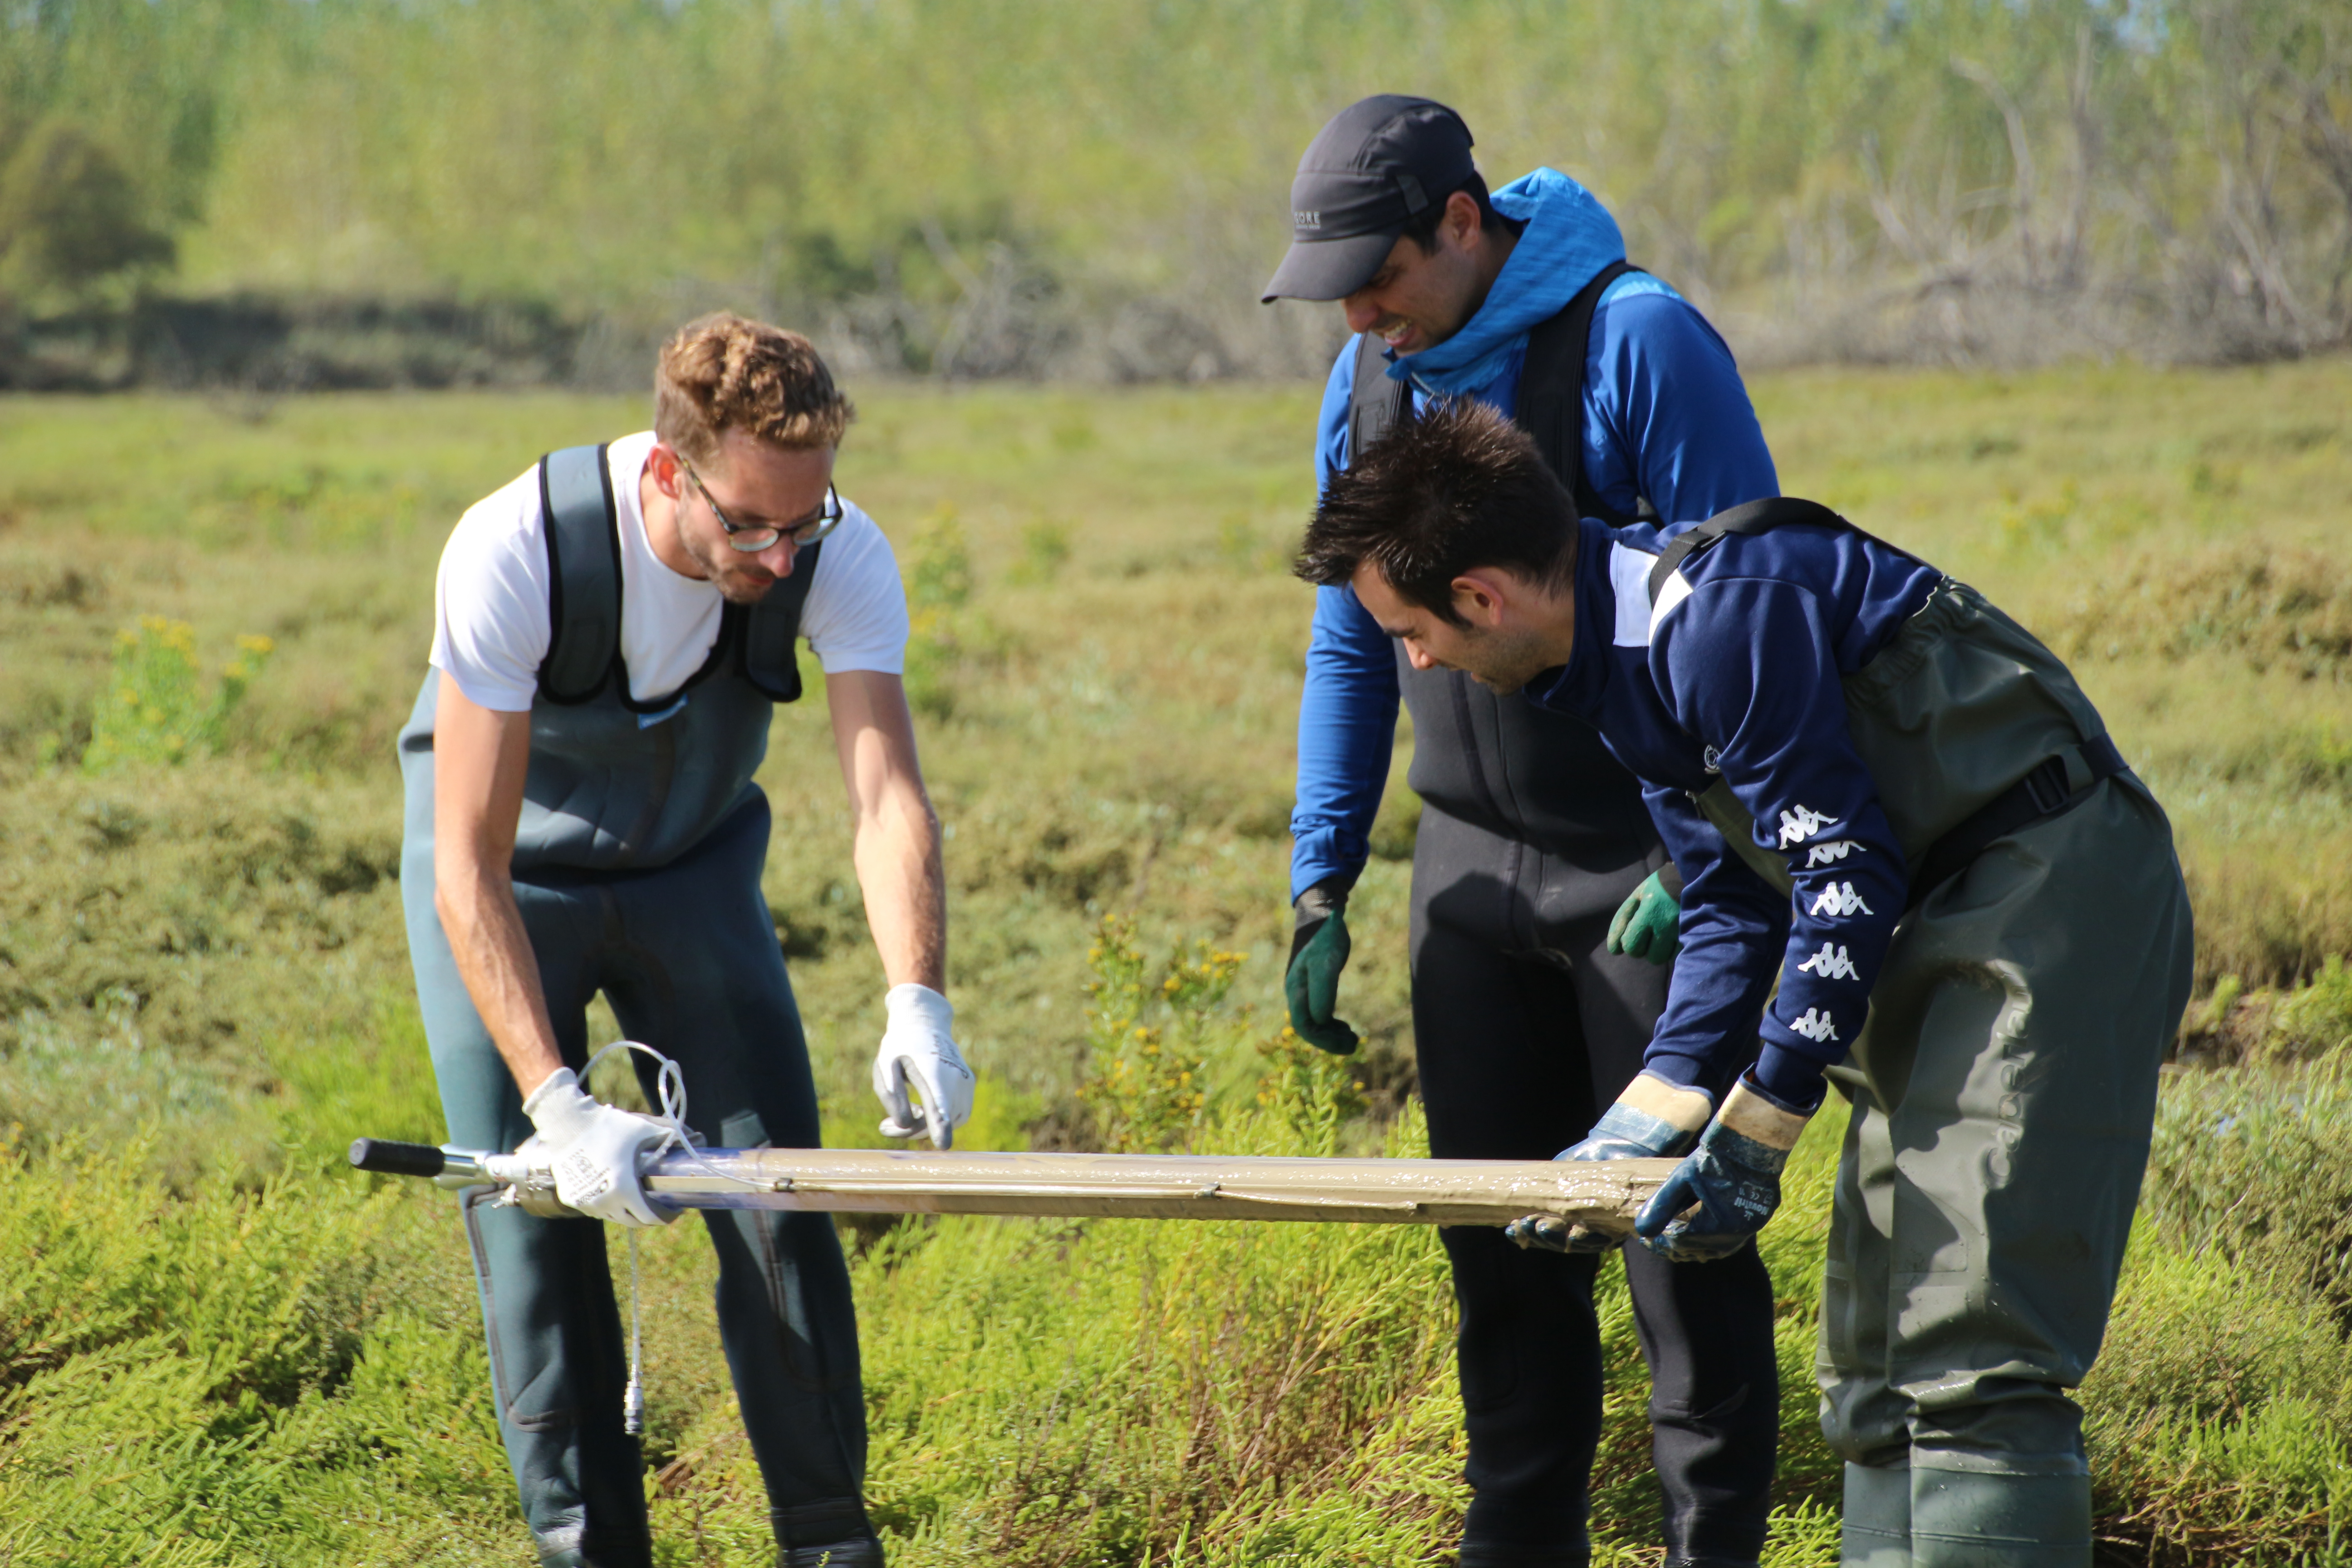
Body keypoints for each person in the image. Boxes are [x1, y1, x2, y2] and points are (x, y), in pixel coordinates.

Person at [1297, 399, 2195, 1568]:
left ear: (1482, 597)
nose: (1415, 662)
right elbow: (1729, 901)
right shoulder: (1610, 666)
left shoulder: (1719, 619)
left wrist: (1758, 1130)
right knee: (1872, 1364)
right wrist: (1635, 1131)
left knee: (1971, 1347)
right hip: (1933, 907)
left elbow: (1838, 873)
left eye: (1411, 632)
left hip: (2047, 892)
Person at [1260, 95, 1782, 1568]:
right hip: (1470, 875)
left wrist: (1716, 853)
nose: (1361, 310)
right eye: (1341, 288)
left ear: (1464, 223)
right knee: (1499, 1274)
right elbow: (1353, 647)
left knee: (1683, 1261)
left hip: (1649, 876)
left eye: (1383, 272)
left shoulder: (1638, 343)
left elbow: (1756, 612)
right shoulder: (1370, 381)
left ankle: (1716, 1550)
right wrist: (1321, 876)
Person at [397, 313, 970, 1568]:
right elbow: (464, 868)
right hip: (513, 886)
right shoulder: (518, 549)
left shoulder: (836, 549)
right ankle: (586, 1545)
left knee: (780, 1203)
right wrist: (555, 1105)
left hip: (695, 872)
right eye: (748, 526)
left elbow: (886, 800)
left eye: (801, 521)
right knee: (532, 1216)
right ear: (671, 471)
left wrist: (915, 997)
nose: (778, 555)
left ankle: (828, 1542)